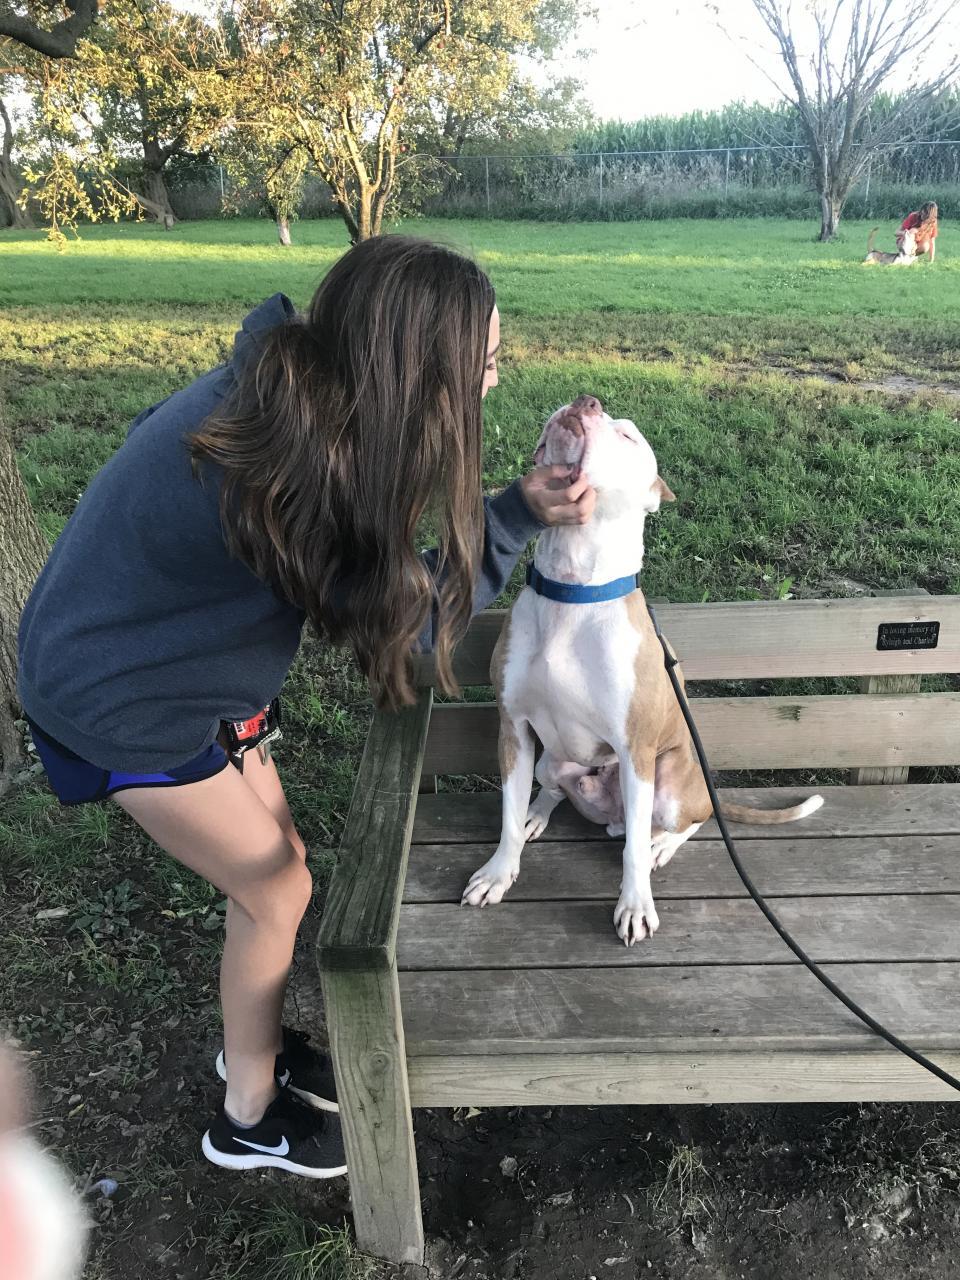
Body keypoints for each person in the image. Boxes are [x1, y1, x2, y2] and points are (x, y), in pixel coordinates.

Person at [17, 236, 597, 1179]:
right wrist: (515, 518)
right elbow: (408, 632)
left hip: (162, 661)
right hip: (118, 693)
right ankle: (246, 1115)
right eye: (483, 362)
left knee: (283, 862)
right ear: (415, 368)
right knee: (276, 888)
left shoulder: (290, 394)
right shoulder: (300, 469)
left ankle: (252, 1047)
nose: (492, 382)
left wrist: (508, 509)